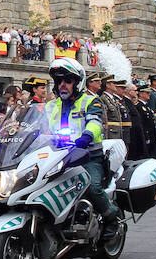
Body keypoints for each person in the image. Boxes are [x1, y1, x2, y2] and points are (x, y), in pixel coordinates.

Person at [45, 59, 120, 234]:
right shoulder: (50, 106)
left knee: (92, 187)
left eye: (68, 81)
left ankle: (112, 219)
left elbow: (95, 123)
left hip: (87, 156)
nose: (63, 85)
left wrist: (85, 137)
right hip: (57, 158)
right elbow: (38, 127)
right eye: (59, 81)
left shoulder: (90, 101)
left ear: (77, 83)